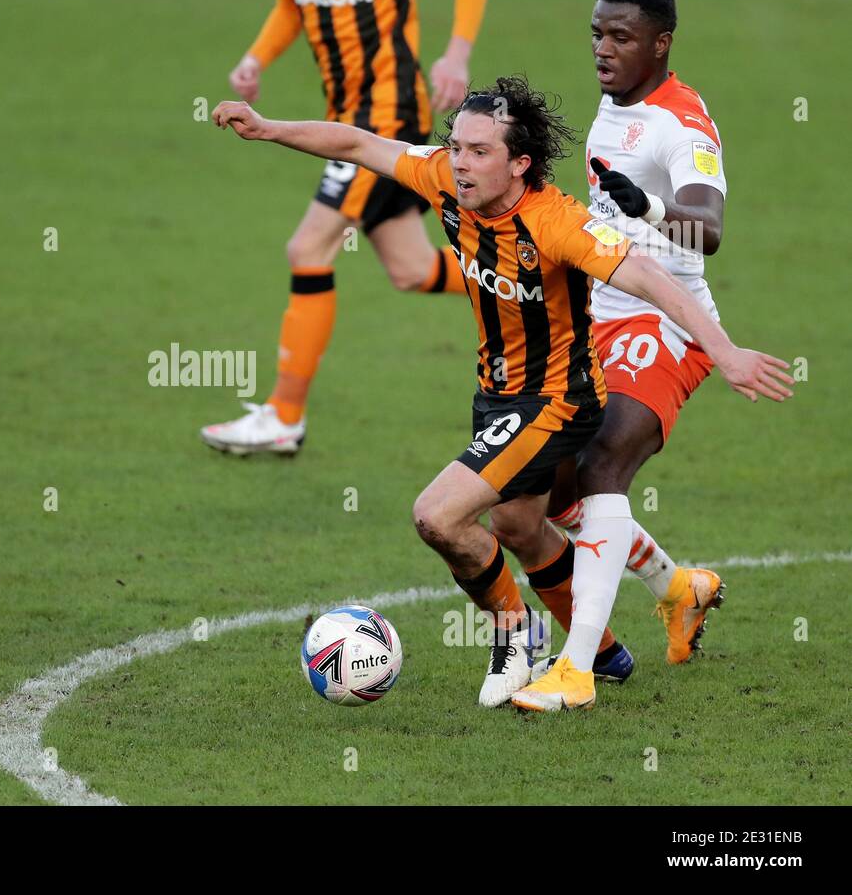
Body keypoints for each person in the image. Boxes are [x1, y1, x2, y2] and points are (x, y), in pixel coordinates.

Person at [210, 75, 792, 710]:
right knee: (519, 526)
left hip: (556, 403)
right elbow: (356, 143)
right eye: (456, 145)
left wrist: (725, 349)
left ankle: (516, 634)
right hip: (496, 395)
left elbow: (651, 275)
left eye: (479, 151)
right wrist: (268, 128)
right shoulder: (441, 179)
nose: (460, 160)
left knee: (438, 516)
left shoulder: (557, 221)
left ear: (519, 163)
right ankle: (607, 655)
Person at [513, 0, 733, 669]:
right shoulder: (615, 104)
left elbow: (711, 233)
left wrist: (653, 210)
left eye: (621, 37)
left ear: (661, 44)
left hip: (667, 322)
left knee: (604, 460)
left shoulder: (683, 122)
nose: (603, 49)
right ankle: (677, 588)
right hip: (595, 321)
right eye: (596, 34)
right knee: (550, 494)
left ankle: (576, 669)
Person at [201, 0, 488, 455]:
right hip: (346, 115)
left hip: (385, 117)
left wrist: (456, 56)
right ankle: (546, 281)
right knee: (413, 269)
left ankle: (284, 416)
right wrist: (255, 58)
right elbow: (294, 5)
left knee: (307, 249)